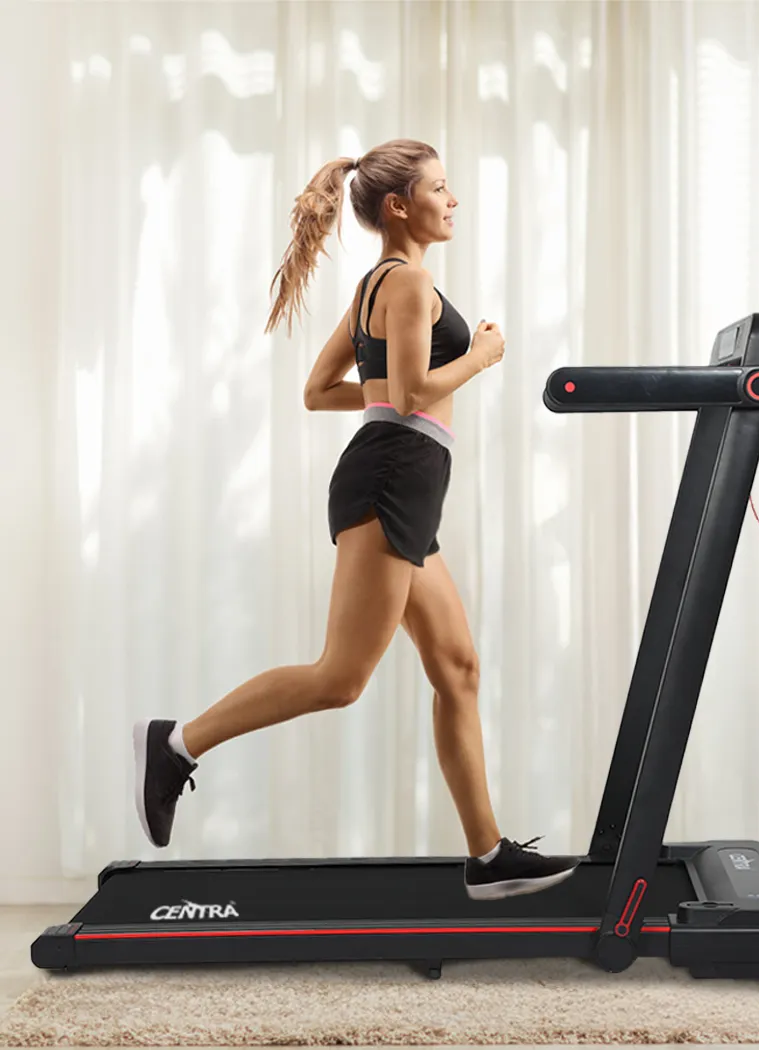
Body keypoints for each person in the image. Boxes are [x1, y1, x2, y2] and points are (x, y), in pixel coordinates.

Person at [133, 138, 580, 901]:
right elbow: (408, 395)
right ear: (400, 206)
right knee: (340, 679)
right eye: (440, 188)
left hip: (404, 482)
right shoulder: (408, 282)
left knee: (458, 668)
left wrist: (399, 390)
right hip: (391, 480)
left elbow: (321, 390)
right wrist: (481, 355)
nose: (453, 200)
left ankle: (488, 857)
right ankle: (176, 744)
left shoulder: (376, 284)